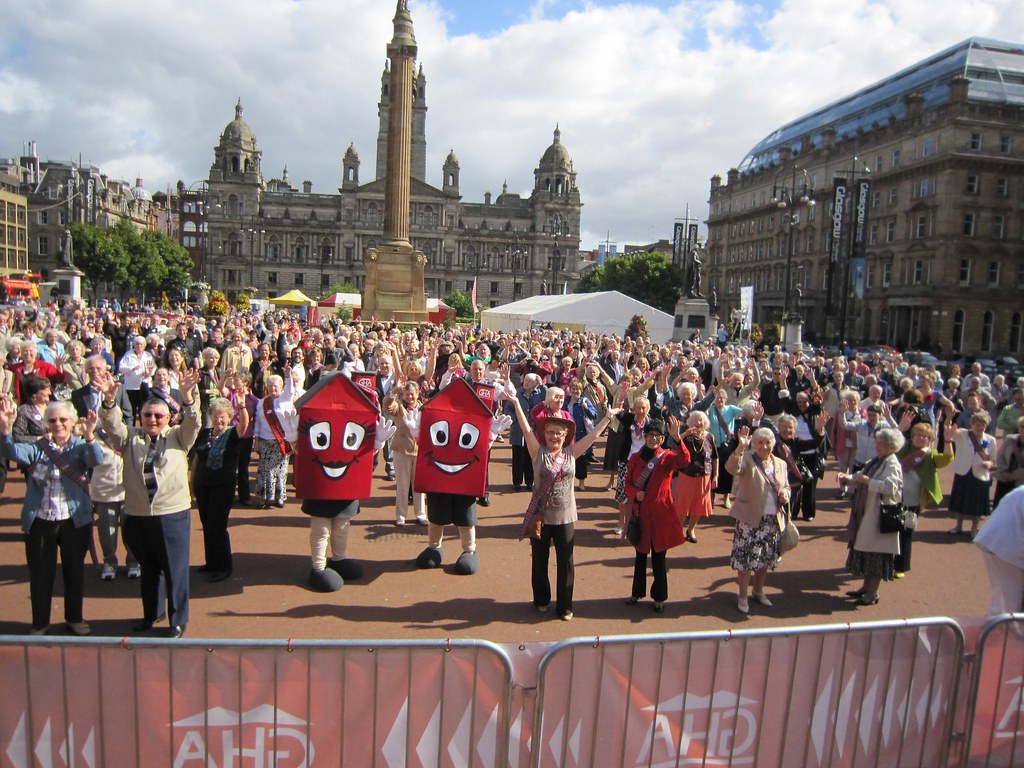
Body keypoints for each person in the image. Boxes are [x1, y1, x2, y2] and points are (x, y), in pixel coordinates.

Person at [98, 367, 202, 638]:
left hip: (171, 514)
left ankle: (178, 620)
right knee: (149, 569)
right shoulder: (130, 438)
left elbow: (194, 422)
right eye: (147, 415)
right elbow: (112, 425)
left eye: (158, 416)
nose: (152, 420)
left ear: (168, 418)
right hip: (138, 514)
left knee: (175, 570)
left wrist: (189, 397)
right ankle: (152, 613)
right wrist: (110, 402)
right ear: (140, 417)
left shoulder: (179, 436)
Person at [509, 395, 619, 620]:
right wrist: (516, 403)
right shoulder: (537, 452)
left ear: (565, 435)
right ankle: (541, 600)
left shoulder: (571, 453)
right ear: (544, 435)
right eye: (550, 432)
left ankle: (565, 606)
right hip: (541, 516)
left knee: (566, 562)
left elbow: (593, 436)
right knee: (539, 561)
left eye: (559, 433)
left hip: (566, 517)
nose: (554, 436)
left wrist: (607, 417)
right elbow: (525, 428)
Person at [0, 397, 102, 635]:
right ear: (46, 423)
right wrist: (5, 429)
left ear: (72, 421)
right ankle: (40, 623)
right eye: (53, 420)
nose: (58, 424)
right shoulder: (38, 448)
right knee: (40, 574)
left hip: (74, 520)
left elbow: (96, 460)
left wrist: (90, 436)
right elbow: (12, 452)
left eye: (63, 419)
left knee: (74, 571)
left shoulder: (80, 446)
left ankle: (75, 618)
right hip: (41, 521)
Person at [624, 417, 692, 613]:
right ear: (645, 436)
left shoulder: (668, 457)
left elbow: (684, 460)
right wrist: (634, 494)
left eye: (658, 436)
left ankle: (659, 598)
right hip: (642, 515)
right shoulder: (635, 458)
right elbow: (627, 483)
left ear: (662, 439)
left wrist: (678, 439)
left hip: (661, 516)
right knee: (639, 557)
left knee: (659, 560)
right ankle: (636, 593)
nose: (653, 439)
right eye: (650, 435)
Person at [726, 426, 791, 614]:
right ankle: (743, 595)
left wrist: (785, 494)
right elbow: (732, 468)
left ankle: (758, 590)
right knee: (746, 560)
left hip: (773, 520)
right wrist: (740, 447)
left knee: (765, 559)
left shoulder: (780, 464)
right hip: (750, 519)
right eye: (760, 442)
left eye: (768, 442)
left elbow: (786, 485)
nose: (764, 446)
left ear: (773, 443)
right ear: (754, 444)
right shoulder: (747, 459)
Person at [839, 427, 905, 606]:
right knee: (868, 553)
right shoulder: (877, 460)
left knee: (877, 555)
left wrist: (868, 482)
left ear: (891, 446)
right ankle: (865, 588)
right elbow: (861, 477)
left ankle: (873, 593)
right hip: (868, 513)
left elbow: (891, 489)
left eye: (882, 444)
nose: (878, 446)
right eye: (877, 443)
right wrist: (848, 478)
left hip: (879, 517)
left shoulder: (892, 464)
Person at [193, 397, 250, 581]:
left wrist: (242, 406)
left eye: (222, 416)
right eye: (216, 416)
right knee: (206, 523)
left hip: (222, 486)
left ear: (229, 417)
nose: (219, 420)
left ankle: (224, 566)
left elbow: (244, 424)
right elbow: (196, 458)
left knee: (217, 526)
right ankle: (212, 562)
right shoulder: (205, 433)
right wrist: (192, 482)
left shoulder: (233, 433)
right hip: (203, 485)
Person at [894, 421, 953, 577]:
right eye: (918, 435)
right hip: (894, 497)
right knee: (890, 530)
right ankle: (886, 562)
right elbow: (890, 448)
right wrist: (900, 429)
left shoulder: (930, 455)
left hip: (913, 501)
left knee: (905, 533)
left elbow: (946, 458)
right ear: (912, 437)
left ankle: (900, 567)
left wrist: (947, 441)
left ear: (930, 439)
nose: (921, 438)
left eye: (925, 436)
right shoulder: (904, 449)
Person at [973, 485, 1024, 615]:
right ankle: (1005, 631)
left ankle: (997, 626)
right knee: (1012, 600)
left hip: (995, 540)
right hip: (1006, 546)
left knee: (1004, 596)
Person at [383, 380, 427, 526]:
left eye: (412, 394)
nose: (410, 397)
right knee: (402, 484)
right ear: (403, 395)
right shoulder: (398, 407)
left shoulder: (424, 407)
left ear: (417, 394)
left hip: (419, 450)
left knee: (419, 485)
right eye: (407, 394)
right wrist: (394, 390)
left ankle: (420, 514)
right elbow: (387, 405)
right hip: (401, 449)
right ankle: (401, 515)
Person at [946, 412, 996, 538]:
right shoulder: (963, 434)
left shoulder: (990, 440)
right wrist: (949, 418)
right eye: (977, 425)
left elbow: (993, 459)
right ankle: (958, 525)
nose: (980, 428)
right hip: (963, 472)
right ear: (972, 424)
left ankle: (974, 528)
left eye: (983, 425)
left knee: (978, 504)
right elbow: (948, 431)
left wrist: (989, 463)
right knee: (960, 501)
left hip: (980, 474)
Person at [253, 373, 299, 508]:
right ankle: (263, 498)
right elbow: (257, 423)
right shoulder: (262, 403)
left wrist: (288, 375)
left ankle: (279, 498)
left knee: (281, 470)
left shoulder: (285, 398)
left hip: (281, 441)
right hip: (265, 441)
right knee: (265, 470)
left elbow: (290, 388)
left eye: (276, 386)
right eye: (270, 386)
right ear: (267, 387)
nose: (273, 389)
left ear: (280, 387)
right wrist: (256, 438)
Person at [673, 410, 717, 543]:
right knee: (683, 506)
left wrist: (716, 475)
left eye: (701, 420)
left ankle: (691, 529)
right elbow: (676, 444)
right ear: (690, 423)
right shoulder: (686, 437)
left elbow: (715, 457)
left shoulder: (710, 437)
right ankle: (677, 530)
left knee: (698, 505)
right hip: (687, 474)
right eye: (695, 420)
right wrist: (685, 433)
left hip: (704, 475)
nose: (698, 423)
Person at [993, 415, 1024, 506]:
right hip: (1004, 479)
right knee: (999, 506)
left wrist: (1013, 475)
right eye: (1022, 426)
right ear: (1018, 428)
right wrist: (1004, 471)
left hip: (1020, 483)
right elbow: (1000, 456)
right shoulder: (1010, 439)